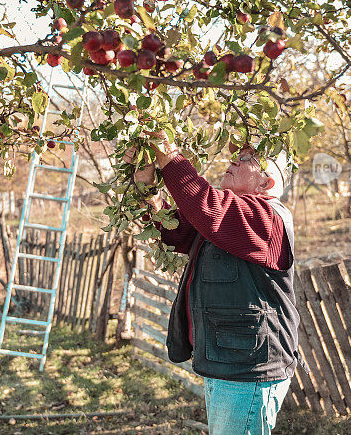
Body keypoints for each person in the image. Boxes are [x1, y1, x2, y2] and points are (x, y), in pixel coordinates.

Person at [126, 133, 300, 435]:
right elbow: (175, 230)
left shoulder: (267, 218)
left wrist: (168, 154)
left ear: (266, 184)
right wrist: (146, 187)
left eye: (246, 158)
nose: (234, 160)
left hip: (249, 369)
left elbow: (205, 204)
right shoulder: (230, 218)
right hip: (230, 364)